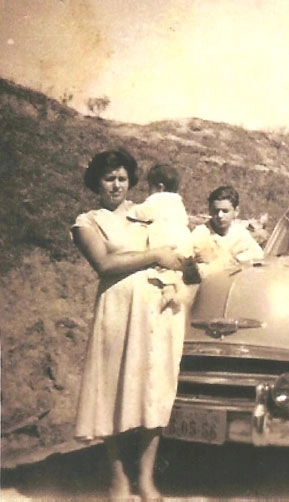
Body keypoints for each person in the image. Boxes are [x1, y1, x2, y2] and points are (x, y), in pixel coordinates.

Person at [71, 149, 186, 500]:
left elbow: (179, 241)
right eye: (109, 178)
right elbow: (105, 264)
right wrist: (154, 255)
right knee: (114, 391)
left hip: (156, 313)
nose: (116, 185)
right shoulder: (87, 221)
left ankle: (147, 479)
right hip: (117, 315)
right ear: (97, 182)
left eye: (122, 178)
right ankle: (119, 479)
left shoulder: (147, 214)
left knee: (154, 392)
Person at [128, 163, 199, 312]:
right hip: (183, 240)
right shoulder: (178, 202)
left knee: (163, 268)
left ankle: (168, 291)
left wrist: (130, 210)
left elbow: (142, 213)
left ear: (160, 187)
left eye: (150, 187)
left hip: (167, 240)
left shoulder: (157, 200)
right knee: (176, 270)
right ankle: (176, 289)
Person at [191, 185, 265, 278]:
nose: (220, 215)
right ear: (210, 210)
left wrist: (228, 260)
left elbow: (257, 254)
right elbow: (200, 271)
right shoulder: (200, 234)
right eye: (216, 211)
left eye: (225, 211)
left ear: (236, 211)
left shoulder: (240, 233)